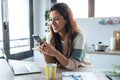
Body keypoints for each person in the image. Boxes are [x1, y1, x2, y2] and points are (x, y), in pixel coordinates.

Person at [37, 3, 91, 70]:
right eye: (51, 19)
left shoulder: (78, 36)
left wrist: (55, 52)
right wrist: (46, 53)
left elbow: (73, 66)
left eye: (56, 19)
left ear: (66, 19)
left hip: (82, 70)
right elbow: (51, 62)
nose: (52, 23)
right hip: (64, 70)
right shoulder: (50, 36)